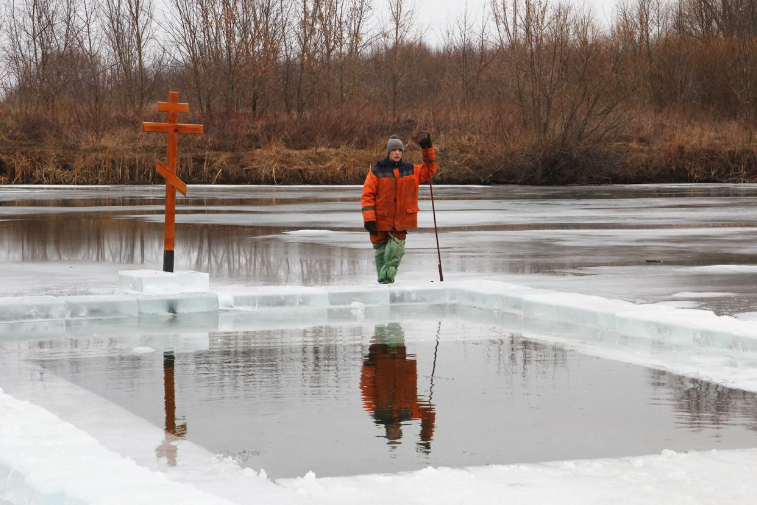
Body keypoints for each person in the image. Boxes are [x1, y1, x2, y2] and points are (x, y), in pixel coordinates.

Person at [361, 133, 438, 284]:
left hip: (401, 221)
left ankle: (385, 281)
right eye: (394, 150)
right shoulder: (376, 172)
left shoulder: (411, 170)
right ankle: (384, 285)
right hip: (380, 221)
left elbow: (429, 171)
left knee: (395, 252)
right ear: (388, 152)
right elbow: (367, 196)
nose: (397, 153)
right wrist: (369, 219)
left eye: (400, 150)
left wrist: (427, 149)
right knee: (381, 254)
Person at [359, 323, 436, 450]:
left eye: (392, 435)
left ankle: (384, 311)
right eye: (397, 434)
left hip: (380, 360)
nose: (394, 431)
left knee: (380, 327)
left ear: (386, 432)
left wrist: (369, 366)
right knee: (396, 330)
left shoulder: (377, 412)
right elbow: (428, 414)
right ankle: (392, 314)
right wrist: (425, 437)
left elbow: (366, 387)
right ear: (401, 431)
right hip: (401, 362)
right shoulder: (410, 413)